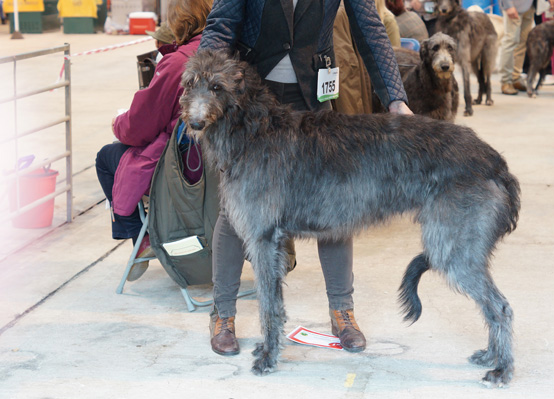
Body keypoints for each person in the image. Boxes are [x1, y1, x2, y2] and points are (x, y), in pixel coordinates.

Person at [198, 0, 412, 357]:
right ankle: (224, 314)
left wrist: (395, 99)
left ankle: (342, 311)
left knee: (333, 202)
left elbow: (369, 29)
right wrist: (207, 86)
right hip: (249, 98)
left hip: (313, 91)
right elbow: (221, 25)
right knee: (236, 211)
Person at [95, 0, 212, 282]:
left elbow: (139, 127)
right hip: (221, 168)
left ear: (180, 22)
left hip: (183, 171)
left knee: (106, 157)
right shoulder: (230, 56)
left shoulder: (178, 63)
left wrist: (118, 122)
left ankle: (140, 235)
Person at [498, 0, 537, 94]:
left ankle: (515, 77)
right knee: (510, 41)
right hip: (513, 6)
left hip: (530, 6)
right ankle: (506, 81)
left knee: (522, 43)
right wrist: (508, 5)